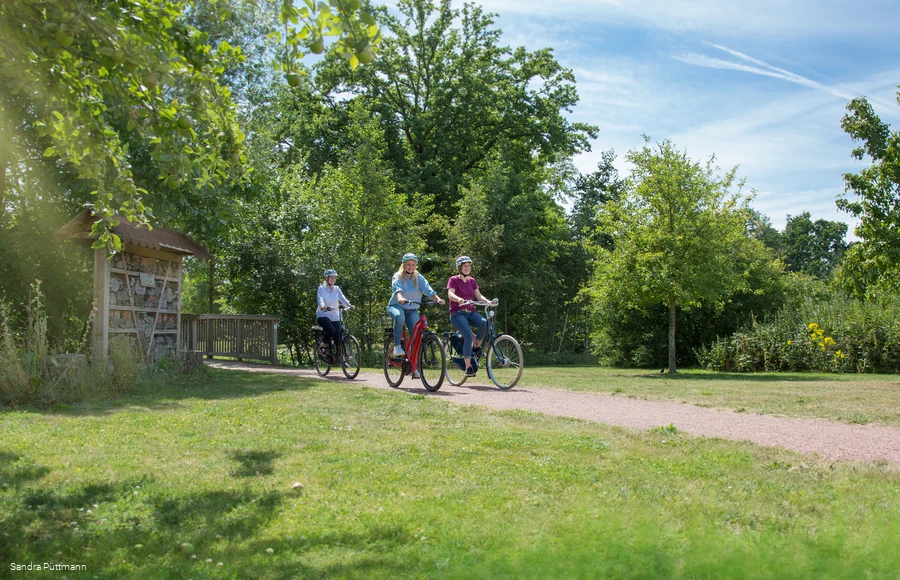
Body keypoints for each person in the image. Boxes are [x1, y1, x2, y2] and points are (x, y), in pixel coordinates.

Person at [387, 253, 445, 363]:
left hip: (412, 309)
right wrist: (400, 298)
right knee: (400, 316)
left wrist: (437, 299)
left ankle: (413, 363)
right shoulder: (398, 276)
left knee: (417, 333)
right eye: (408, 264)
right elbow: (397, 289)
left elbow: (428, 290)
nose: (411, 267)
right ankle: (397, 345)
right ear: (404, 265)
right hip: (396, 306)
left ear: (416, 266)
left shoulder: (418, 277)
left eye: (413, 264)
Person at [446, 256, 491, 377]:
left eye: (469, 266)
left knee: (483, 322)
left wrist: (488, 301)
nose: (467, 268)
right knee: (467, 336)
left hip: (471, 312)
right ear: (459, 268)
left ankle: (476, 346)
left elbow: (479, 297)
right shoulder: (453, 279)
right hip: (457, 313)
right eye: (465, 266)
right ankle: (468, 367)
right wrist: (459, 299)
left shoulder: (472, 281)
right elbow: (450, 294)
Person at [316, 269, 352, 355]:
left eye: (334, 278)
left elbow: (342, 298)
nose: (333, 279)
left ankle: (339, 357)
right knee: (331, 329)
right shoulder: (321, 288)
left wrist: (349, 304)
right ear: (326, 278)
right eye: (331, 278)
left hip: (335, 315)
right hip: (323, 315)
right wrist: (323, 306)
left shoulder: (337, 288)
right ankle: (323, 345)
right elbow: (320, 299)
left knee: (337, 336)